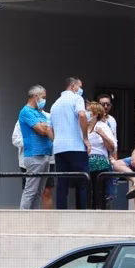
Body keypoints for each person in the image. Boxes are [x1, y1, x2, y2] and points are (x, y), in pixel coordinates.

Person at [50, 76, 89, 210]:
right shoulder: (77, 99)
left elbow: (50, 128)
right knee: (83, 181)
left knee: (62, 182)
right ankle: (84, 212)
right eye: (80, 86)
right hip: (76, 146)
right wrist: (86, 138)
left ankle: (61, 212)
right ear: (73, 86)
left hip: (59, 148)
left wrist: (56, 140)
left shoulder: (55, 104)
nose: (81, 90)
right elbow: (82, 115)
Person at [17, 85, 55, 210]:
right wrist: (44, 127)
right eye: (43, 97)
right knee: (30, 191)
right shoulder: (26, 111)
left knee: (39, 192)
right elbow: (42, 130)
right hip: (34, 155)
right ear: (36, 96)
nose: (44, 100)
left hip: (45, 155)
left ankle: (33, 219)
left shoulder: (40, 113)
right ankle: (23, 219)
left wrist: (45, 127)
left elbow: (48, 128)